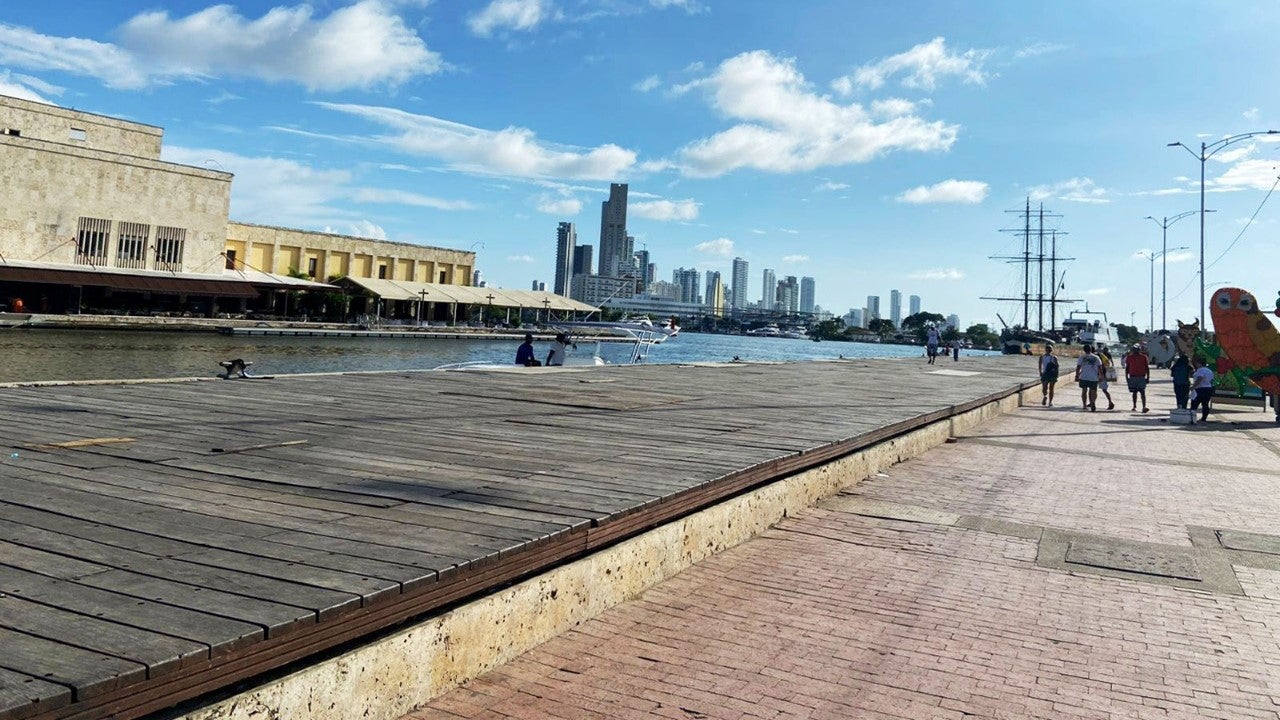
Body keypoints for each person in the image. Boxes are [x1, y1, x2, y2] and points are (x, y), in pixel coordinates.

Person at [1075, 343, 1103, 411]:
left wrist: (1077, 375)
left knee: (1084, 391)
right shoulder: (1096, 357)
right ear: (1091, 349)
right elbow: (1100, 368)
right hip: (1093, 377)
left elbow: (1078, 367)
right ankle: (1092, 402)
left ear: (1084, 350)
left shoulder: (1082, 357)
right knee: (1093, 390)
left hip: (1084, 377)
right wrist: (1101, 376)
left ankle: (1084, 405)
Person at [1124, 344, 1151, 412]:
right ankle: (1134, 406)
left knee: (1142, 392)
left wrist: (1148, 377)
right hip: (1133, 376)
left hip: (1141, 376)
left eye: (1137, 349)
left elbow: (1147, 367)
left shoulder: (1144, 357)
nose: (1136, 351)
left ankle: (1144, 406)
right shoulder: (1129, 357)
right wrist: (1126, 377)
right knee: (1134, 392)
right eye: (1134, 349)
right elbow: (1127, 367)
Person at [1190, 356, 1215, 423]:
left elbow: (1200, 379)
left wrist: (1193, 387)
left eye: (1197, 363)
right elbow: (1212, 380)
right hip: (1208, 388)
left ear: (1200, 363)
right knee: (1205, 404)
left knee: (1194, 404)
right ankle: (1204, 418)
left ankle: (1192, 418)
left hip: (1200, 389)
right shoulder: (1209, 371)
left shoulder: (1201, 370)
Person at [1096, 346, 1116, 410]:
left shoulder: (1097, 357)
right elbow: (1108, 364)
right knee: (1104, 390)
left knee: (1093, 389)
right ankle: (1110, 402)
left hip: (1098, 375)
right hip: (1103, 375)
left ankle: (1092, 402)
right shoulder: (1104, 357)